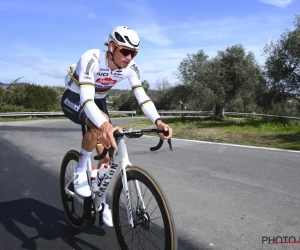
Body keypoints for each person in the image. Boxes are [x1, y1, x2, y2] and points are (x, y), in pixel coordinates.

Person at [61, 26, 173, 227]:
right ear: (111, 47)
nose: (130, 57)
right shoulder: (91, 58)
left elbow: (142, 97)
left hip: (99, 98)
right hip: (76, 96)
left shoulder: (131, 68)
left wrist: (158, 121)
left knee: (106, 154)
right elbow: (87, 100)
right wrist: (103, 124)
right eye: (125, 51)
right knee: (99, 124)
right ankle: (79, 171)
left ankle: (101, 200)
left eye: (134, 53)